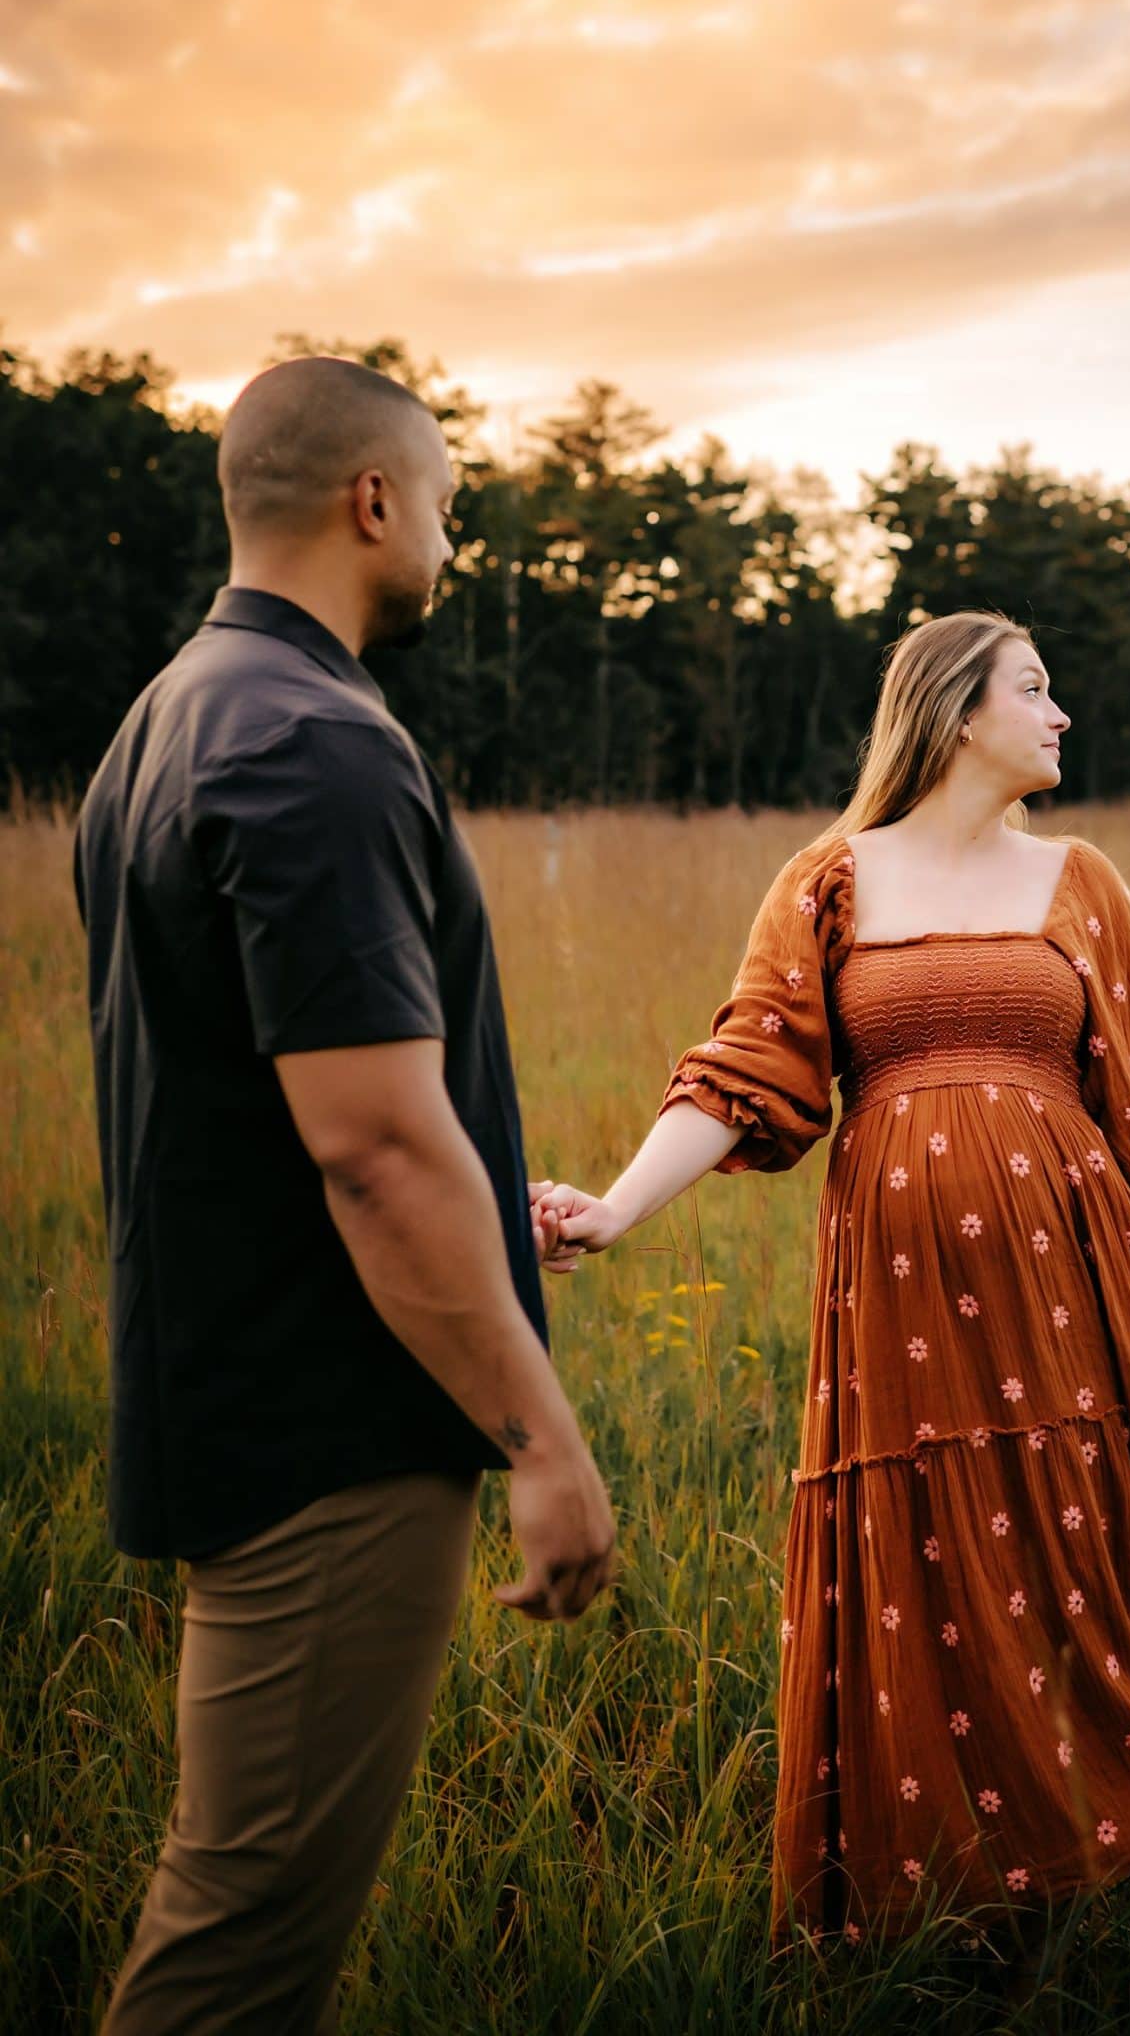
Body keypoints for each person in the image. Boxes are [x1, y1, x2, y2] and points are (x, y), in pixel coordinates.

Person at [534, 609, 1130, 1947]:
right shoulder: (828, 881)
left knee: (1076, 1566)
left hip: (1077, 1304)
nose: (1062, 717)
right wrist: (615, 1209)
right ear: (953, 713)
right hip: (902, 1326)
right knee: (938, 1584)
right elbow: (744, 1072)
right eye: (1037, 690)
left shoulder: (1079, 880)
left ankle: (1073, 1864)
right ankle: (950, 1911)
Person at [74, 355, 617, 2034]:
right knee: (240, 1950)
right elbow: (371, 1154)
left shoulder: (172, 717)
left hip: (240, 1383)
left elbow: (286, 1096)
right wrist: (542, 1437)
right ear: (373, 501)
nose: (453, 540)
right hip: (334, 1437)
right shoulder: (319, 743)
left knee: (239, 1914)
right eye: (448, 503)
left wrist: (466, 1179)